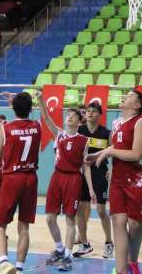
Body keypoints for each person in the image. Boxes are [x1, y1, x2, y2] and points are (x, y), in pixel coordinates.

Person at [85, 90, 142, 274]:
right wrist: (98, 154)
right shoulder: (116, 122)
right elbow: (117, 146)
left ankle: (133, 262)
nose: (124, 96)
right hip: (118, 180)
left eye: (130, 95)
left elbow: (135, 154)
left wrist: (108, 152)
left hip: (140, 180)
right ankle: (122, 269)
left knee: (135, 224)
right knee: (118, 220)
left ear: (137, 105)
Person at [40, 98, 94, 272]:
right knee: (49, 217)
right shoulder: (59, 134)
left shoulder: (84, 140)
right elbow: (46, 117)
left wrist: (91, 189)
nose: (70, 117)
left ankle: (68, 256)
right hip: (57, 177)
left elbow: (86, 167)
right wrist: (42, 99)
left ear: (80, 121)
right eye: (68, 115)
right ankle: (59, 248)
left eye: (73, 116)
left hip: (73, 179)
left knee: (70, 219)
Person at [0, 92, 41, 274]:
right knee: (24, 226)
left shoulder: (7, 128)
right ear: (30, 108)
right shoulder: (37, 126)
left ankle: (4, 262)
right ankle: (20, 267)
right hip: (30, 178)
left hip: (12, 178)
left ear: (13, 108)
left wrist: (0, 136)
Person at [74, 102, 114, 259]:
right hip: (83, 172)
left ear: (100, 114)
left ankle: (109, 242)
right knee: (81, 209)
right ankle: (84, 244)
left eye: (94, 111)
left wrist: (112, 168)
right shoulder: (80, 131)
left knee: (100, 209)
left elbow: (113, 151)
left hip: (100, 172)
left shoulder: (106, 133)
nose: (90, 113)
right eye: (88, 111)